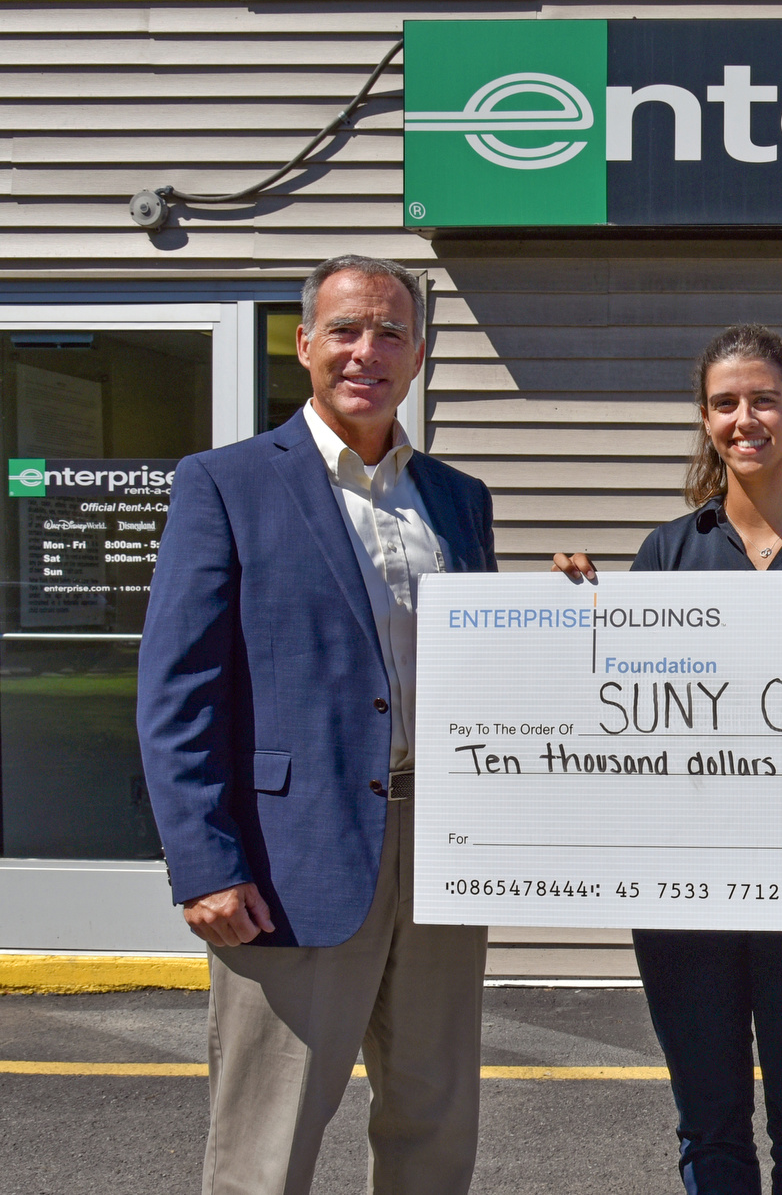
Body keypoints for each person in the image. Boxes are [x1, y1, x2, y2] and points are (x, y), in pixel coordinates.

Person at [137, 255, 496, 1194]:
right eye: (344, 329)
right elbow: (179, 691)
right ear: (303, 344)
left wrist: (570, 617)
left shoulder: (459, 498)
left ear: (417, 354)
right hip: (291, 859)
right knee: (269, 1140)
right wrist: (207, 864)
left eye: (388, 332)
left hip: (445, 849)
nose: (365, 351)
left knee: (435, 1119)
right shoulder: (227, 483)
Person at [554, 323, 782, 1195]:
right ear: (705, 421)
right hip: (683, 889)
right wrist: (565, 616)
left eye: (764, 399)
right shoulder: (666, 553)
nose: (746, 419)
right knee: (708, 1127)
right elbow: (616, 709)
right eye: (725, 403)